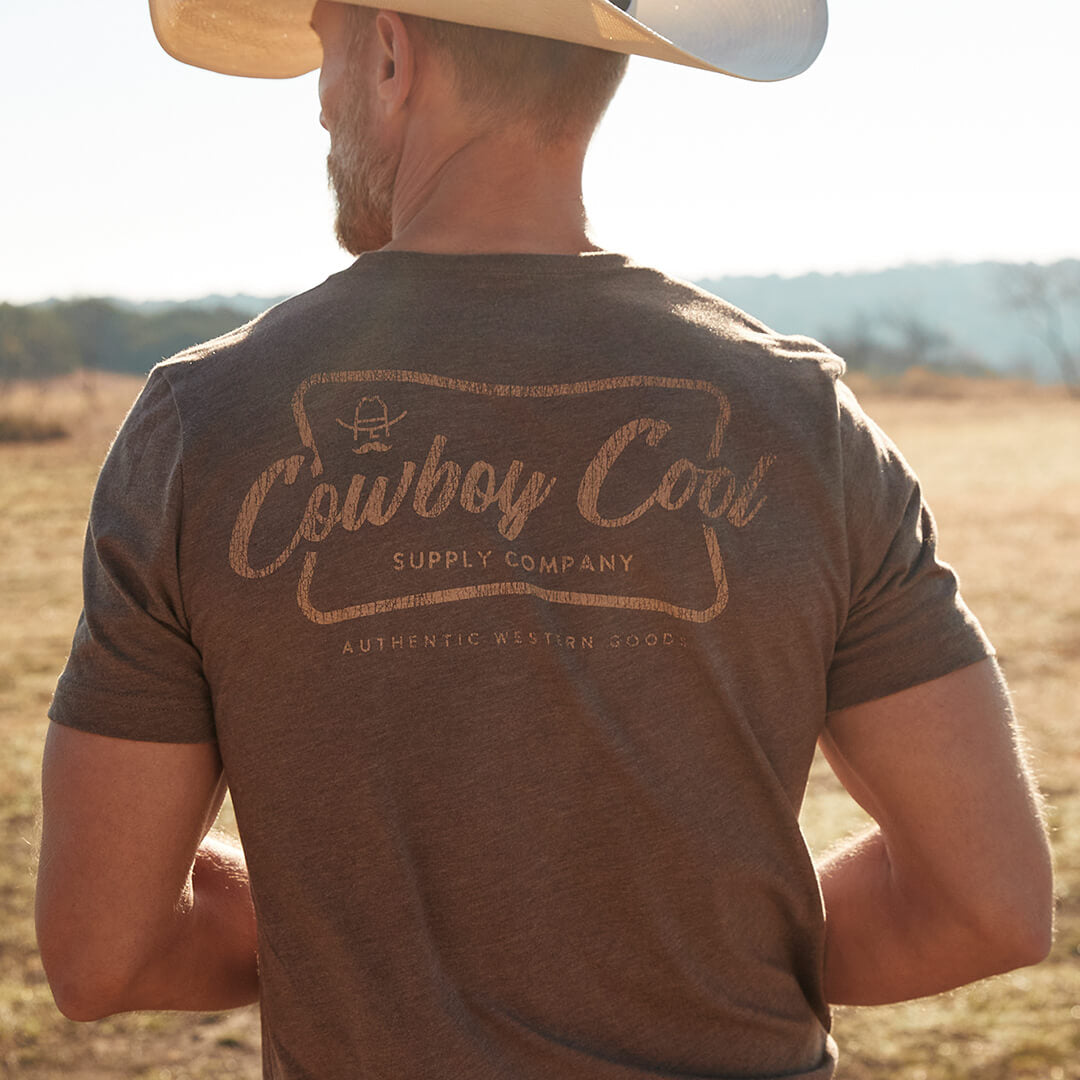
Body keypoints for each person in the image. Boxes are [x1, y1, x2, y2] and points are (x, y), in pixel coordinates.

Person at [36, 1, 1053, 1077]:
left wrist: (374, 946)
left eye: (326, 55)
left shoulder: (202, 426)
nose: (319, 110)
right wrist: (687, 950)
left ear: (389, 54)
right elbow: (984, 904)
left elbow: (107, 950)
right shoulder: (804, 419)